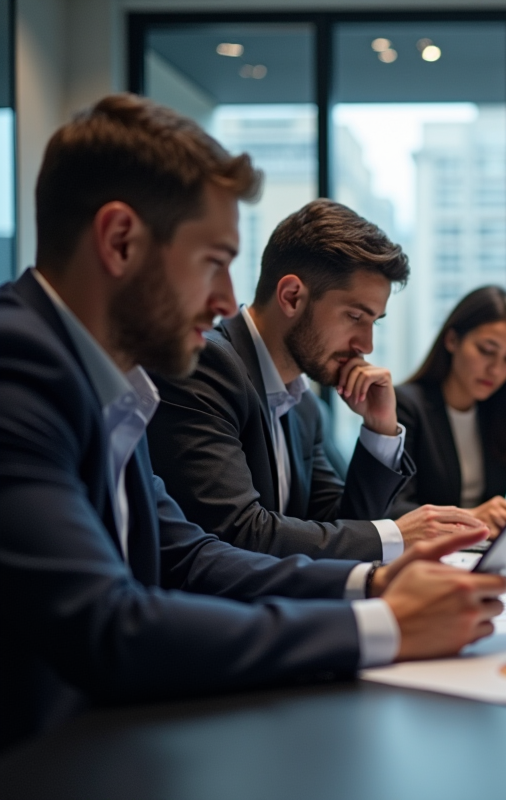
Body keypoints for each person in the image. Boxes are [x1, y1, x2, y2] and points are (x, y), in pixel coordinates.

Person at [0, 94, 506, 750]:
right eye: (213, 260)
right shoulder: (20, 367)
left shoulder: (107, 383)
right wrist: (383, 626)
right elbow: (108, 625)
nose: (223, 300)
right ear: (120, 240)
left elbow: (190, 556)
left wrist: (377, 583)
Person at [146, 199, 486, 561]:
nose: (366, 346)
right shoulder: (207, 365)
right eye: (355, 316)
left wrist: (380, 430)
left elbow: (341, 528)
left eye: (375, 322)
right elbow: (236, 533)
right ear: (292, 296)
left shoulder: (304, 407)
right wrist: (396, 534)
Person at [394, 286, 506, 535]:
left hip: (484, 551)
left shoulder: (501, 411)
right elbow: (390, 508)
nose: (495, 370)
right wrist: (471, 517)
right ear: (452, 340)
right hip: (427, 555)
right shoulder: (407, 406)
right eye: (487, 351)